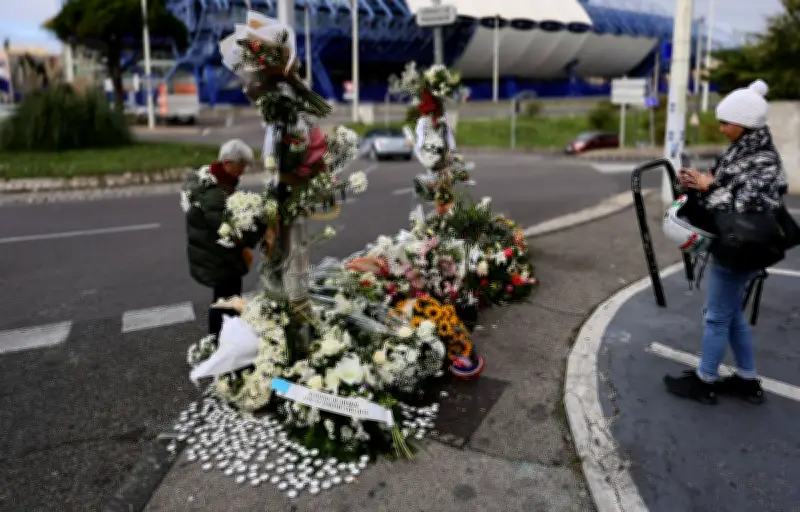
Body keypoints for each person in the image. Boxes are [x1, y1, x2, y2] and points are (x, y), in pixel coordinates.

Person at [664, 79, 788, 405]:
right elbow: (727, 185)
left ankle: (705, 382)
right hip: (734, 244)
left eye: (725, 123)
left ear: (745, 124)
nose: (720, 128)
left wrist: (710, 188)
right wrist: (698, 181)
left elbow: (743, 210)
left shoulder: (764, 162)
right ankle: (748, 381)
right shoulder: (744, 150)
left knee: (717, 317)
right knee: (730, 315)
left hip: (742, 247)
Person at [183, 139, 261, 336]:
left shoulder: (216, 181)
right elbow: (230, 228)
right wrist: (260, 227)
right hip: (219, 258)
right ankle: (221, 342)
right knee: (226, 302)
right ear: (227, 163)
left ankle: (226, 341)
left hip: (218, 255)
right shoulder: (214, 195)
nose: (243, 171)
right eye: (241, 166)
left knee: (226, 300)